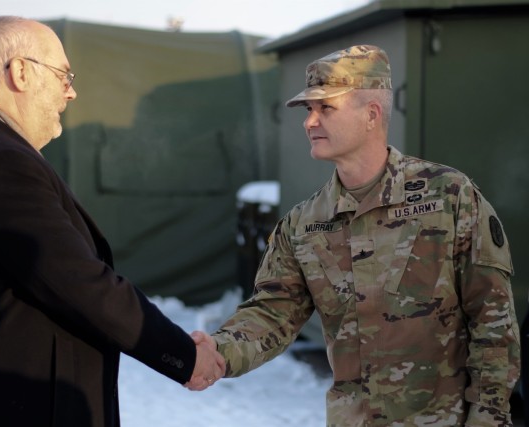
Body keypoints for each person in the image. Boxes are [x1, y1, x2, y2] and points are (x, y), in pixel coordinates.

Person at [0, 16, 224, 427]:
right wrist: (185, 354)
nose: (71, 92)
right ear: (20, 71)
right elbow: (78, 282)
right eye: (63, 75)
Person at [190, 45, 521, 426]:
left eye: (325, 108)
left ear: (371, 114)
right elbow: (272, 314)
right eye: (307, 111)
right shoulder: (303, 224)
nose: (309, 122)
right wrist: (218, 350)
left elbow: (493, 322)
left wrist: (489, 417)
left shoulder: (449, 197)